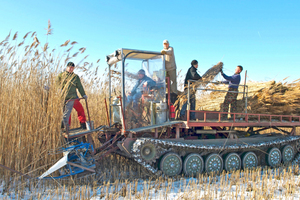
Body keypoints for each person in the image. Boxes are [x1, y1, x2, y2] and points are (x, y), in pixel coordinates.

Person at [56, 62, 87, 130]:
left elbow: (80, 87)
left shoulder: (75, 77)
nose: (71, 69)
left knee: (80, 110)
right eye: (70, 67)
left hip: (74, 98)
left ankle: (83, 124)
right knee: (67, 112)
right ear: (66, 67)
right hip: (66, 98)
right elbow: (57, 84)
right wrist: (59, 91)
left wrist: (83, 94)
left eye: (72, 68)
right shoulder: (61, 75)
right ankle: (65, 126)